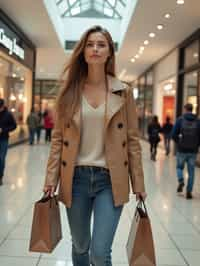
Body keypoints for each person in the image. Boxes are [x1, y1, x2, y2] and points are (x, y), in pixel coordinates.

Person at [43, 25, 146, 266]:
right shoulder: (71, 91)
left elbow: (132, 140)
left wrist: (139, 183)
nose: (95, 49)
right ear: (83, 51)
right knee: (80, 246)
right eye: (90, 44)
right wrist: (50, 179)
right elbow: (58, 139)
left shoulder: (123, 92)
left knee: (100, 252)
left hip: (110, 181)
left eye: (101, 44)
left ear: (110, 52)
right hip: (75, 179)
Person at [172, 103, 200, 199]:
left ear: (185, 109)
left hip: (182, 149)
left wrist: (178, 142)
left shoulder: (180, 120)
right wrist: (197, 145)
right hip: (193, 151)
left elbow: (173, 134)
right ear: (192, 110)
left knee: (179, 167)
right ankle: (189, 192)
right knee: (191, 171)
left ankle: (180, 180)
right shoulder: (198, 121)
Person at [0, 98, 17, 185]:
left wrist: (3, 130)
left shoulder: (8, 114)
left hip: (3, 139)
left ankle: (0, 176)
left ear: (3, 106)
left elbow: (14, 126)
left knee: (1, 158)